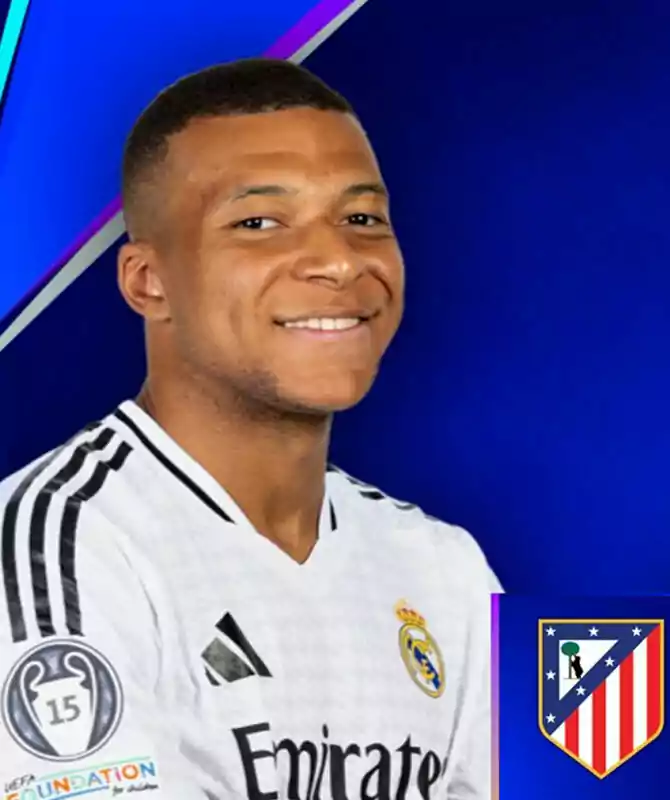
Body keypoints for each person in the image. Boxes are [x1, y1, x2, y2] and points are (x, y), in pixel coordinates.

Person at [0, 58, 499, 799]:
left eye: (361, 218)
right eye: (258, 223)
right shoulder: (61, 544)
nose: (337, 259)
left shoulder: (443, 568)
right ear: (148, 281)